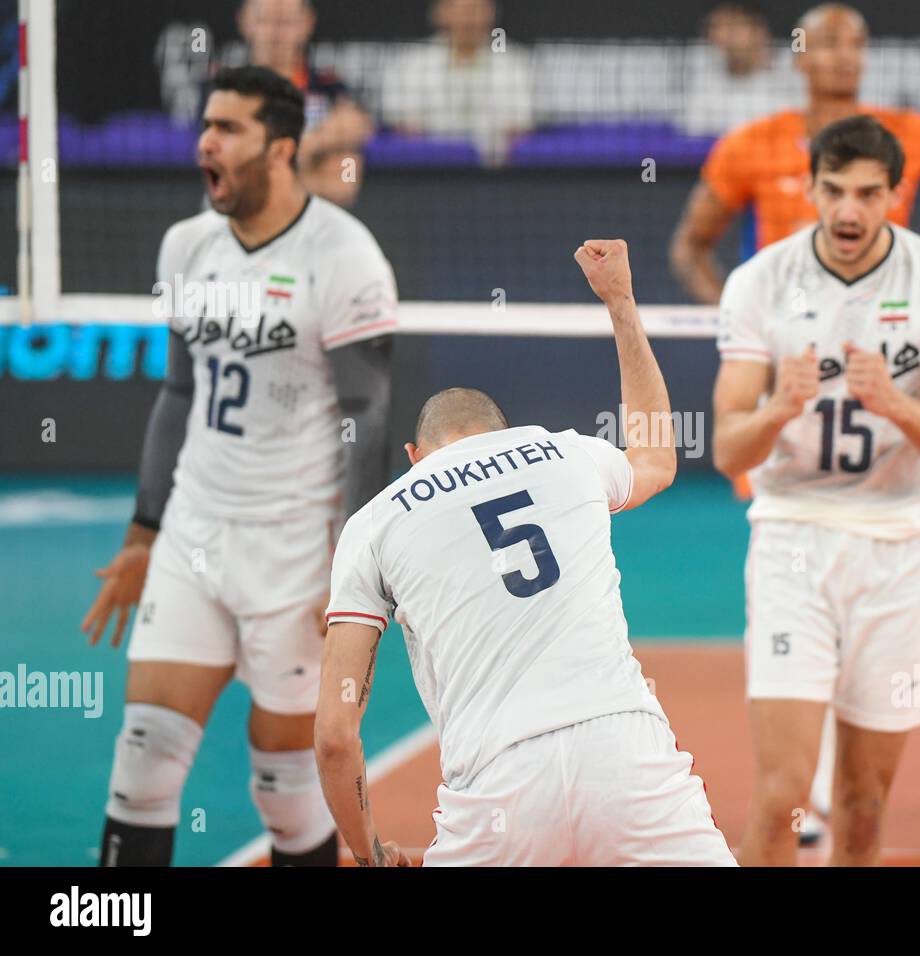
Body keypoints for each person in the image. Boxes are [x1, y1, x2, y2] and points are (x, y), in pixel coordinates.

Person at [314, 240, 736, 867]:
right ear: (504, 433)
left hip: (497, 787)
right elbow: (655, 457)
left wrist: (372, 856)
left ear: (413, 457)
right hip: (624, 754)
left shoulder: (375, 521)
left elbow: (333, 737)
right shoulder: (564, 452)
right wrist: (619, 301)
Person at [82, 66, 398, 867]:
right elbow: (178, 391)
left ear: (281, 149)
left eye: (227, 130)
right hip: (196, 529)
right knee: (144, 758)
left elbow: (366, 412)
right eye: (205, 126)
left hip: (293, 546)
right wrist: (144, 532)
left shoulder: (344, 254)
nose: (205, 143)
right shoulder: (187, 245)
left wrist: (350, 561)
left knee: (287, 793)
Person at [711, 116, 920, 866]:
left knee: (864, 810)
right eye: (832, 190)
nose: (847, 212)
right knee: (781, 800)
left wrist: (898, 402)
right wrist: (776, 408)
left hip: (900, 548)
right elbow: (725, 447)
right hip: (792, 541)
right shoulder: (760, 281)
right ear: (808, 187)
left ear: (896, 195)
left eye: (869, 194)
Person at [670, 2, 920, 304]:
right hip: (784, 334)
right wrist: (734, 314)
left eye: (856, 44)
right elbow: (690, 247)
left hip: (884, 329)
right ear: (799, 56)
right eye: (829, 43)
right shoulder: (750, 145)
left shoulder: (911, 134)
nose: (845, 57)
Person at [234, 0, 374, 207]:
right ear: (245, 22)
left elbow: (346, 182)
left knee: (348, 160)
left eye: (285, 22)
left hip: (313, 219)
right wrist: (302, 162)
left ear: (306, 24)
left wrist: (309, 144)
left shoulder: (328, 86)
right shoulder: (226, 87)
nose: (275, 34)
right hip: (238, 212)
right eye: (266, 21)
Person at [379, 0, 533, 166]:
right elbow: (405, 127)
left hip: (496, 173)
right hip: (426, 171)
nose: (468, 18)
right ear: (440, 14)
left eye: (475, 9)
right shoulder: (409, 64)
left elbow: (518, 127)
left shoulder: (516, 64)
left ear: (491, 14)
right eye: (460, 10)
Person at [681, 3, 799, 137]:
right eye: (715, 28)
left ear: (759, 30)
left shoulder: (795, 66)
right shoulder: (705, 67)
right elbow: (694, 127)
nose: (722, 36)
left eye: (732, 27)